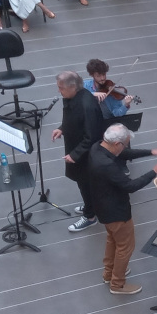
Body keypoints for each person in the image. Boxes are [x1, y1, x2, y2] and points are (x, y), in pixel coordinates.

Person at [88, 124, 157, 294]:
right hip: (117, 212)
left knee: (112, 240)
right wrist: (155, 171)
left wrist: (151, 152)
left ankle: (109, 273)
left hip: (102, 208)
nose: (125, 148)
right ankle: (118, 284)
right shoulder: (107, 165)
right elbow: (130, 186)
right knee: (125, 247)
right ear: (116, 143)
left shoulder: (97, 148)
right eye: (125, 144)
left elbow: (123, 153)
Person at [51, 71, 104, 233]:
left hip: (86, 155)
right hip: (78, 149)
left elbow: (92, 136)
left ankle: (90, 217)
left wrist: (75, 154)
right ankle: (91, 205)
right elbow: (72, 119)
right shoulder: (72, 97)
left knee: (86, 184)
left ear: (73, 87)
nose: (59, 91)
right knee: (83, 184)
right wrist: (62, 128)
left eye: (61, 88)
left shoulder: (86, 105)